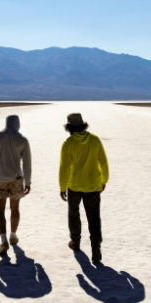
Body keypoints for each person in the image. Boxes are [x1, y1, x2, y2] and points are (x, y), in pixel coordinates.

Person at [59, 113, 109, 263]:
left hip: (74, 186)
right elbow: (103, 162)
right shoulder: (94, 140)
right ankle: (96, 249)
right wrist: (104, 180)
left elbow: (64, 168)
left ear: (69, 127)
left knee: (74, 215)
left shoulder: (68, 143)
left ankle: (75, 242)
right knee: (94, 217)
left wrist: (62, 187)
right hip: (93, 185)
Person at [0, 115, 32, 255]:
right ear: (17, 124)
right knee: (15, 208)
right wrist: (27, 182)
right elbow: (27, 163)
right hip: (16, 179)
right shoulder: (22, 140)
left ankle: (3, 240)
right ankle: (13, 235)